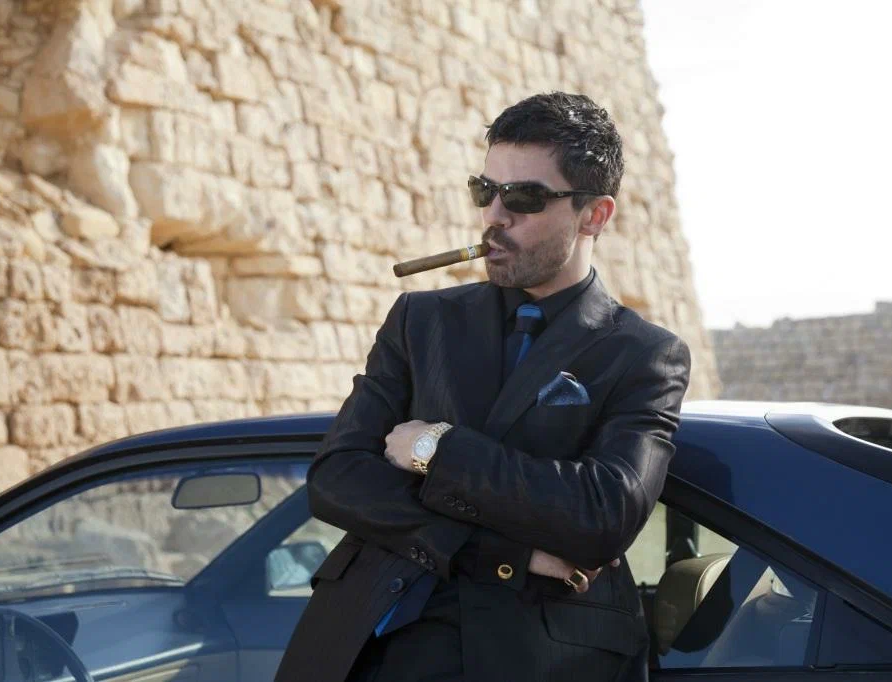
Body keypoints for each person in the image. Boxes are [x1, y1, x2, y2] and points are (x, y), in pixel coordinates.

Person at [275, 92, 692, 682]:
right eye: (485, 190)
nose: (494, 216)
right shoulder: (420, 320)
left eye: (523, 198)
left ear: (595, 215)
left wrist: (436, 449)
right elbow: (338, 478)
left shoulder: (645, 353)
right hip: (364, 645)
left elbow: (603, 513)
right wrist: (501, 553)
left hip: (535, 660)